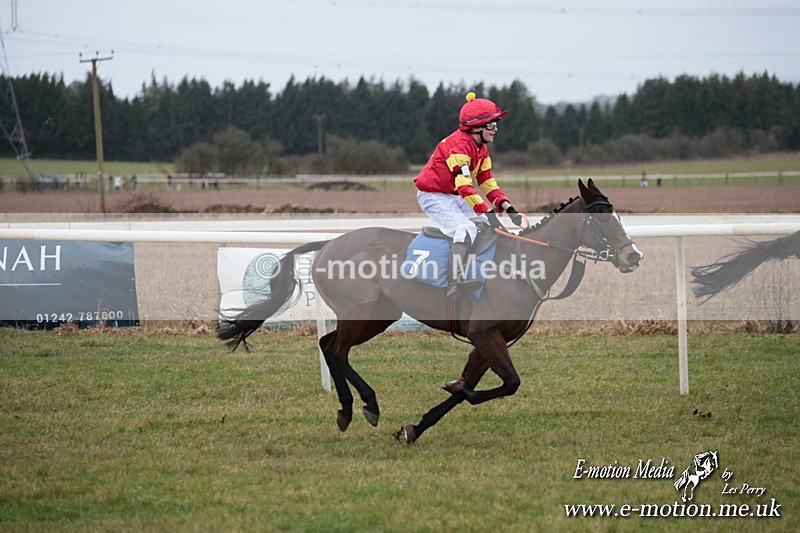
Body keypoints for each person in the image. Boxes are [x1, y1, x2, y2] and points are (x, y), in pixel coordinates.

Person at [414, 92, 524, 295]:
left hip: (454, 196)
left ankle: (485, 270)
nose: (496, 129)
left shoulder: (481, 149)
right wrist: (487, 211)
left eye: (496, 123)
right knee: (465, 230)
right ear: (476, 127)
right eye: (491, 124)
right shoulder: (458, 147)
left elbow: (487, 182)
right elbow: (464, 186)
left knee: (489, 225)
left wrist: (508, 208)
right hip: (432, 195)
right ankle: (454, 282)